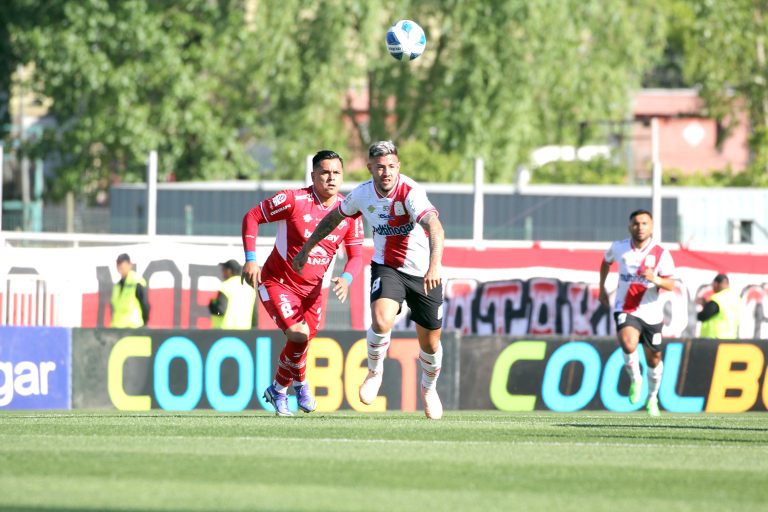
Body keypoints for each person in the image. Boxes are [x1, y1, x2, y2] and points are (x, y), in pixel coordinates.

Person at [293, 140, 446, 420]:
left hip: (424, 272)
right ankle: (374, 372)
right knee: (381, 318)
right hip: (387, 267)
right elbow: (334, 218)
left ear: (398, 167)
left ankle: (429, 388)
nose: (386, 172)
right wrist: (307, 248)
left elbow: (434, 226)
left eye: (390, 167)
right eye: (379, 167)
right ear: (370, 169)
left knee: (430, 343)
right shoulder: (363, 195)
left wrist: (434, 266)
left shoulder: (411, 193)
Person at [241, 149, 364, 417]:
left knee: (301, 344)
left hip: (313, 293)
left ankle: (281, 388)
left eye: (336, 173)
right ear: (313, 175)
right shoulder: (293, 200)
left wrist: (346, 277)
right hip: (278, 282)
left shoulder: (350, 213)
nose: (331, 178)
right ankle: (293, 385)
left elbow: (357, 257)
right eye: (324, 173)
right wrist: (251, 259)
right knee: (298, 335)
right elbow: (252, 217)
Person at [598, 209, 676, 417]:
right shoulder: (619, 247)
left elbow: (670, 284)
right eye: (636, 223)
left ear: (651, 227)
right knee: (628, 343)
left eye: (644, 224)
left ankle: (652, 398)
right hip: (626, 307)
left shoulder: (661, 253)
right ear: (629, 226)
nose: (640, 227)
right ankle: (635, 378)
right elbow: (605, 263)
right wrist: (602, 287)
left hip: (652, 313)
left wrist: (655, 279)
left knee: (654, 359)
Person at [209, 259, 256, 329]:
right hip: (244, 332)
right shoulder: (250, 290)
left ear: (229, 271)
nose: (222, 273)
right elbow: (254, 316)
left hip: (225, 332)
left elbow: (220, 311)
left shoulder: (225, 286)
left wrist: (212, 305)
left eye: (223, 270)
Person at [110, 253, 150, 328]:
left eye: (122, 265)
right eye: (118, 265)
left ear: (129, 265)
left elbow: (145, 305)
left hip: (133, 327)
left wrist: (144, 325)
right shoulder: (117, 286)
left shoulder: (136, 282)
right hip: (117, 327)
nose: (120, 268)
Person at [697, 273, 740, 339]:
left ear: (716, 284)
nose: (713, 287)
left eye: (713, 285)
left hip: (714, 338)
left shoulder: (717, 298)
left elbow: (704, 315)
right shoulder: (736, 298)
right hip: (731, 338)